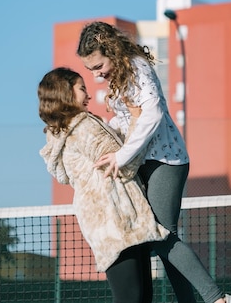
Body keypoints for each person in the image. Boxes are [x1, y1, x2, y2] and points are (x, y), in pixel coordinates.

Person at [77, 21, 231, 303]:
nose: (97, 75)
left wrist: (121, 155)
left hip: (167, 161)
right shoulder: (119, 77)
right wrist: (105, 129)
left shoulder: (137, 67)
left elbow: (152, 113)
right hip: (144, 164)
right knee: (160, 240)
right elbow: (129, 121)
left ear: (111, 51)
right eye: (91, 70)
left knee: (163, 236)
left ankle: (218, 300)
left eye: (98, 66)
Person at [38, 67, 170, 303]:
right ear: (65, 92)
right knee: (135, 298)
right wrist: (136, 118)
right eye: (81, 89)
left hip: (108, 223)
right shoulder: (84, 126)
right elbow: (123, 166)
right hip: (120, 222)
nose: (88, 95)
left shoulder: (63, 132)